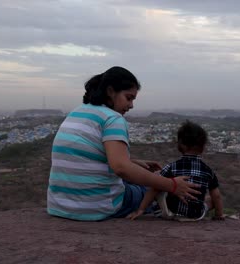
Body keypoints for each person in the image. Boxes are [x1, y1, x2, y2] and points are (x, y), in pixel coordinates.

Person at [47, 66, 200, 221]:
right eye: (129, 98)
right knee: (149, 188)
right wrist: (171, 185)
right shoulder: (113, 118)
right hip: (95, 206)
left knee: (141, 177)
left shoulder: (77, 112)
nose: (131, 105)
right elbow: (121, 168)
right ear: (111, 91)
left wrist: (132, 162)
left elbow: (88, 157)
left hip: (59, 205)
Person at [127, 120, 224, 221]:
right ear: (203, 147)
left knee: (159, 183)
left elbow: (154, 188)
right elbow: (216, 195)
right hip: (195, 215)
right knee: (211, 200)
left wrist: (141, 209)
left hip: (171, 212)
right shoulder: (208, 170)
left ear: (180, 145)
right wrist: (219, 214)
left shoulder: (171, 167)